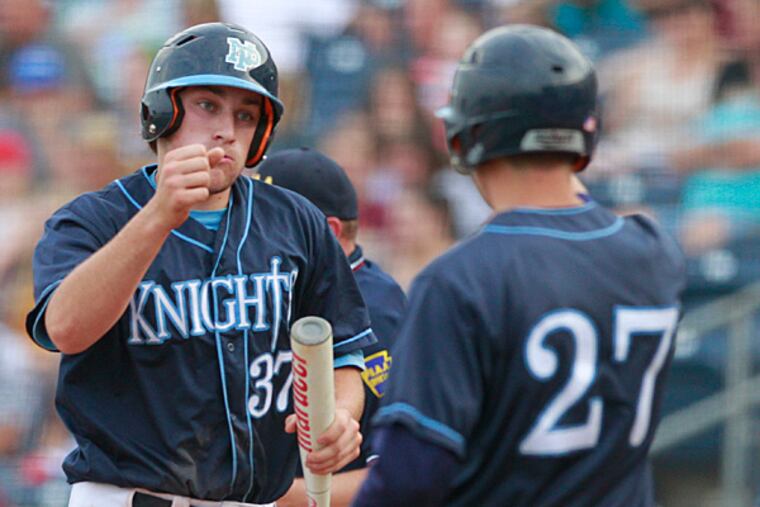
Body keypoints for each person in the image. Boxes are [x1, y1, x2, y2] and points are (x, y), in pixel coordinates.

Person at [25, 22, 375, 507]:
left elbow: (344, 351)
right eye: (207, 105)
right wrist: (158, 217)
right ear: (163, 111)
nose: (226, 131)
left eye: (246, 116)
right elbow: (64, 328)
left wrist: (339, 412)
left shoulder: (298, 222)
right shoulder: (94, 219)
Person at [353, 24, 686, 507]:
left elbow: (409, 478)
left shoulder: (457, 279)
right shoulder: (654, 250)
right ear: (585, 136)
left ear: (469, 136)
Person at [254, 147, 407, 507]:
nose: (253, 231)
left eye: (271, 220)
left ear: (328, 231)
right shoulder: (284, 287)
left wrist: (266, 501)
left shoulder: (373, 311)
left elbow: (394, 475)